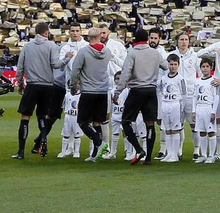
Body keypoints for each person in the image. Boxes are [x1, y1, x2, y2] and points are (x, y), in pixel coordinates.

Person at [13, 22, 64, 159]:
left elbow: (20, 66)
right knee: (42, 116)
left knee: (25, 117)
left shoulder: (27, 46)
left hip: (32, 85)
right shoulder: (52, 46)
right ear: (46, 32)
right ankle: (42, 142)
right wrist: (67, 59)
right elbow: (55, 64)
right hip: (47, 86)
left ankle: (21, 151)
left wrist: (20, 83)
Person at [67, 26, 115, 162]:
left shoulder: (83, 52)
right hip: (102, 91)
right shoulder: (107, 51)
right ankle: (95, 154)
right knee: (97, 122)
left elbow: (75, 70)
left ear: (88, 38)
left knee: (82, 122)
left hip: (88, 90)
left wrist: (73, 86)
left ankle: (99, 143)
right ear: (100, 36)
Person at [116, 27, 163, 164]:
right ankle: (148, 158)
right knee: (150, 123)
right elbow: (165, 65)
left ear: (136, 39)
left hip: (137, 89)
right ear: (147, 39)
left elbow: (125, 73)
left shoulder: (132, 53)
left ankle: (138, 149)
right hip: (151, 90)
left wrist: (117, 92)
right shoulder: (155, 53)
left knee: (125, 121)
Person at [157, 53, 187, 162]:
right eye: (171, 64)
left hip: (175, 105)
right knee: (167, 130)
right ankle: (169, 154)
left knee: (175, 130)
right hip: (166, 104)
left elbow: (184, 94)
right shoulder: (163, 79)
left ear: (178, 65)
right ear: (168, 64)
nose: (173, 66)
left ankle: (175, 154)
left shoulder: (180, 79)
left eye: (175, 64)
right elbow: (160, 90)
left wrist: (181, 108)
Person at [193, 57, 220, 163]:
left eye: (207, 67)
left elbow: (216, 97)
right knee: (202, 132)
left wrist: (213, 111)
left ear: (211, 68)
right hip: (199, 108)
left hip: (208, 108)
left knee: (211, 132)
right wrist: (193, 110)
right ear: (200, 68)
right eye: (203, 66)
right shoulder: (197, 81)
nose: (205, 69)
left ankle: (211, 155)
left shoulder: (213, 81)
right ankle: (204, 155)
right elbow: (194, 96)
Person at [60, 87, 83, 158]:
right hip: (68, 116)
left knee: (77, 135)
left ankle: (76, 152)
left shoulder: (81, 95)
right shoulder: (67, 95)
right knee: (66, 134)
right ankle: (63, 151)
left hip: (76, 116)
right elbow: (64, 105)